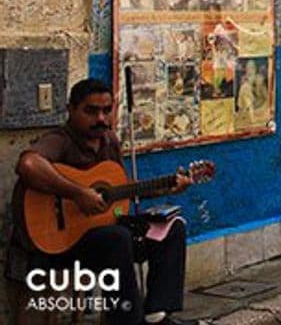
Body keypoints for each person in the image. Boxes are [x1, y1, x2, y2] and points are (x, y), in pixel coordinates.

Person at [6, 79, 191, 324]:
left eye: (106, 110)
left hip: (105, 236)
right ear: (71, 109)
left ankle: (157, 313)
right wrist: (77, 193)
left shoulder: (109, 141)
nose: (101, 119)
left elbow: (121, 190)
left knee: (171, 226)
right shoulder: (60, 140)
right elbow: (28, 164)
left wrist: (166, 188)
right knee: (117, 238)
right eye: (91, 111)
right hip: (63, 244)